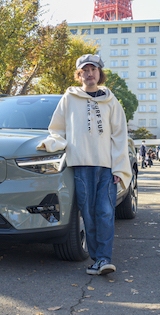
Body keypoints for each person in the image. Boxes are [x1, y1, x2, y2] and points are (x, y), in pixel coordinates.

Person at [37, 54, 131, 276]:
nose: (90, 74)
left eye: (94, 70)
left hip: (106, 168)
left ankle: (104, 258)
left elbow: (119, 135)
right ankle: (98, 259)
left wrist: (119, 167)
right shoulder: (69, 98)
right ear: (79, 75)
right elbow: (57, 129)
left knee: (106, 212)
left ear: (100, 74)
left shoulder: (111, 100)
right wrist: (52, 144)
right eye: (85, 70)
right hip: (80, 166)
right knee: (88, 214)